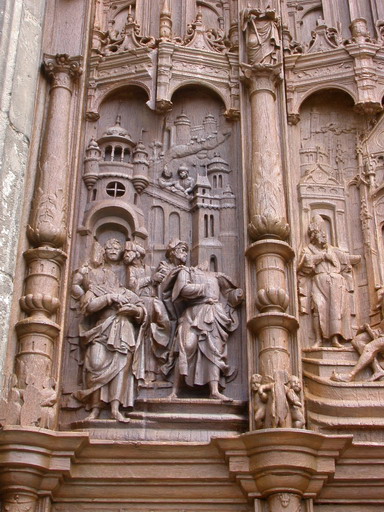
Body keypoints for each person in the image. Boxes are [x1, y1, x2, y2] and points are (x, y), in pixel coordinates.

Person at [72, 239, 146, 422]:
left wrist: (134, 311)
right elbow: (88, 307)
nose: (109, 278)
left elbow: (142, 310)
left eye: (114, 276)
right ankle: (95, 408)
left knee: (121, 368)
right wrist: (109, 298)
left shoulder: (125, 292)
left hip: (123, 330)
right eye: (105, 275)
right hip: (100, 330)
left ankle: (115, 408)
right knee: (96, 364)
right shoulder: (95, 289)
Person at [164, 259, 243, 401]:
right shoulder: (186, 272)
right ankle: (175, 390)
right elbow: (182, 290)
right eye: (201, 260)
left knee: (215, 350)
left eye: (208, 260)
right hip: (193, 313)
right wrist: (202, 288)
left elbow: (228, 293)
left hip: (213, 313)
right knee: (186, 347)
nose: (205, 261)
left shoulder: (217, 276)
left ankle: (214, 390)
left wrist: (236, 295)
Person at [298, 215, 360, 347]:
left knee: (335, 310)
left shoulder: (332, 250)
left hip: (335, 283)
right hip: (319, 281)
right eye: (321, 233)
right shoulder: (308, 249)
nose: (324, 236)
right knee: (318, 308)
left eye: (325, 233)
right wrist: (322, 256)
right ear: (314, 235)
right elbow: (304, 264)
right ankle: (318, 339)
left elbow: (346, 259)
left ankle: (334, 339)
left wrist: (357, 257)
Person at [124, 242, 171, 384]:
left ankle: (155, 371)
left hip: (153, 303)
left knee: (154, 336)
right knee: (143, 338)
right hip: (140, 305)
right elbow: (132, 287)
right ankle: (141, 373)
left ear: (137, 254)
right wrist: (151, 279)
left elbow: (160, 280)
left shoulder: (148, 268)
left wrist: (162, 274)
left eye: (128, 252)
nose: (125, 254)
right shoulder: (130, 270)